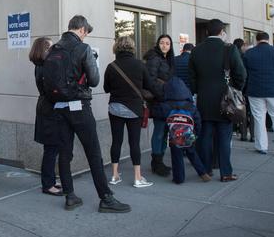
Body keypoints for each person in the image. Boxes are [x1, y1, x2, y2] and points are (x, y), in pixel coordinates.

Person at [43, 15, 130, 213]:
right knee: (93, 152)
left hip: (59, 108)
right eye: (86, 32)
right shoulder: (83, 49)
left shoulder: (53, 49)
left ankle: (70, 196)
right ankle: (106, 198)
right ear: (82, 29)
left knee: (64, 153)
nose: (85, 36)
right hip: (79, 107)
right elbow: (94, 80)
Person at [189, 19, 246, 182]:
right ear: (222, 32)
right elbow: (241, 74)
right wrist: (235, 89)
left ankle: (206, 170)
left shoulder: (196, 50)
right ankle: (226, 172)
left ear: (207, 32)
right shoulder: (229, 49)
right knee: (224, 136)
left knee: (204, 136)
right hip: (225, 99)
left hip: (204, 99)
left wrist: (197, 91)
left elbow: (191, 78)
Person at [104, 36, 158, 188]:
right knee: (134, 143)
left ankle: (114, 176)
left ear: (116, 48)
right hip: (134, 109)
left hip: (115, 108)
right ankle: (137, 177)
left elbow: (106, 88)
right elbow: (150, 85)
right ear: (132, 48)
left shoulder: (111, 66)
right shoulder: (140, 65)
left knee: (116, 141)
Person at [243, 32, 274, 156]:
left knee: (259, 118)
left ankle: (261, 146)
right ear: (268, 39)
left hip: (255, 90)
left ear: (256, 40)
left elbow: (244, 72)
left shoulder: (249, 53)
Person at [159, 77, 210, 184]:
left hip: (174, 136)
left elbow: (163, 119)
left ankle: (179, 178)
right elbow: (197, 120)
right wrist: (196, 133)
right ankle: (203, 173)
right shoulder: (190, 106)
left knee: (176, 156)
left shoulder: (166, 105)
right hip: (188, 134)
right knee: (192, 153)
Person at [30, 37, 62, 196]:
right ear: (43, 49)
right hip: (49, 110)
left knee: (51, 148)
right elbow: (52, 91)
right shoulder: (45, 67)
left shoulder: (40, 66)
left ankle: (50, 181)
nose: (53, 49)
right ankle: (48, 184)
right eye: (50, 46)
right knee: (51, 148)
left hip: (45, 108)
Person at [144, 34, 175, 177]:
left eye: (167, 43)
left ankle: (159, 161)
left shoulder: (167, 59)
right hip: (159, 100)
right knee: (159, 131)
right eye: (162, 43)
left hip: (167, 101)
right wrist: (163, 94)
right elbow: (150, 81)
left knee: (164, 132)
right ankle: (156, 162)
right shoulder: (154, 58)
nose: (164, 45)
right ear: (158, 44)